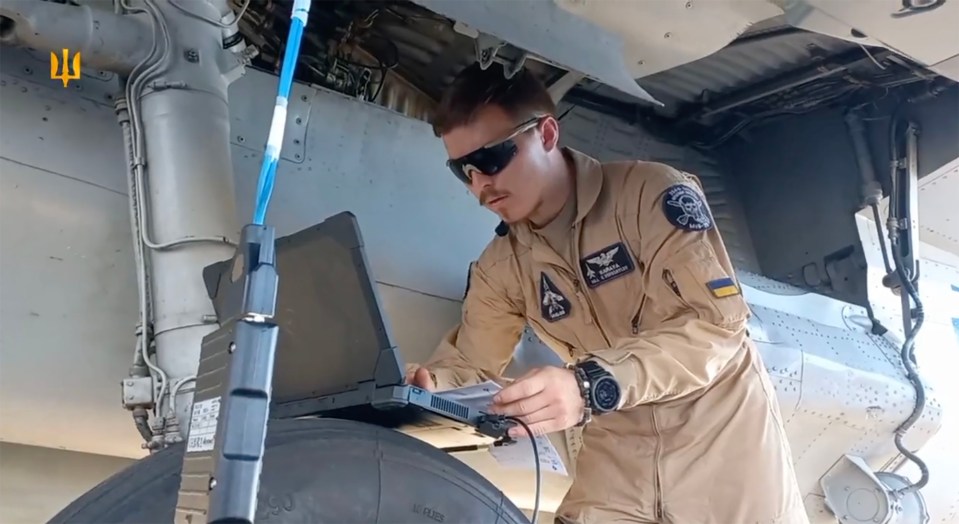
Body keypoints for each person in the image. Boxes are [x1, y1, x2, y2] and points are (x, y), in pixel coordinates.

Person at [406, 62, 808, 524]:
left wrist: (587, 384)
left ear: (548, 134)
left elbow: (716, 328)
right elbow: (472, 366)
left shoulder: (650, 196)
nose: (480, 184)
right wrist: (433, 387)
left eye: (493, 159)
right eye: (464, 170)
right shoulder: (503, 266)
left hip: (722, 444)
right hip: (619, 454)